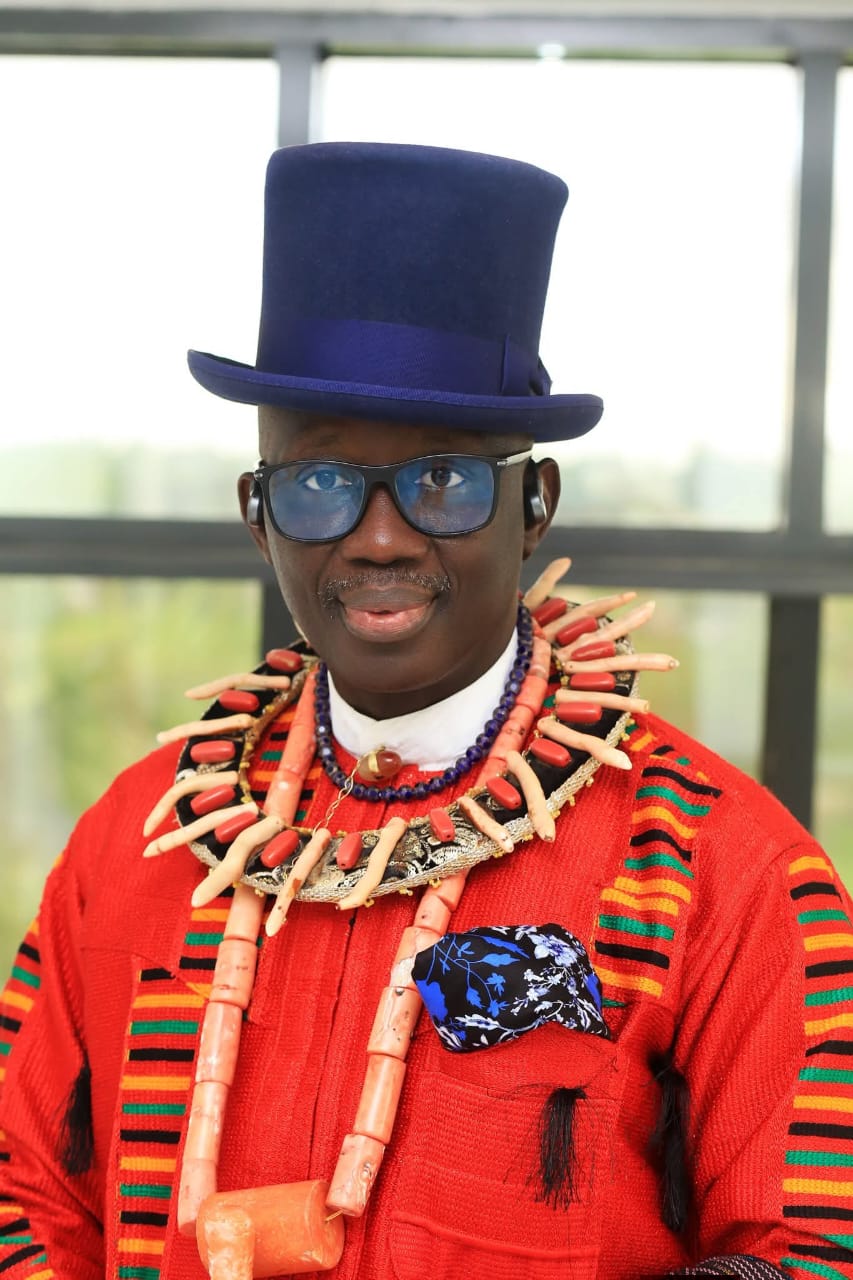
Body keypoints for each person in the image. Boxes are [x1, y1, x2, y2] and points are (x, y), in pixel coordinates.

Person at [0, 141, 850, 1280]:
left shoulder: (714, 864)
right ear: (258, 516)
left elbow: (812, 1248)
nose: (380, 537)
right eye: (318, 482)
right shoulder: (141, 838)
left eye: (443, 479)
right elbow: (21, 1195)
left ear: (534, 504)